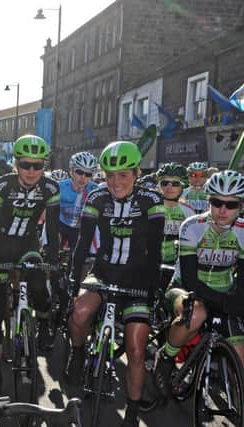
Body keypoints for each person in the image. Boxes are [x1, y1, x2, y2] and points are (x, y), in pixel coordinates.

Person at [66, 141, 165, 427]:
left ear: (136, 173)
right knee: (80, 313)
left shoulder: (151, 201)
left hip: (138, 280)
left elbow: (156, 249)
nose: (115, 182)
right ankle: (78, 352)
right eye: (109, 175)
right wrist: (75, 280)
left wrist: (153, 288)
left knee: (135, 348)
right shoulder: (96, 197)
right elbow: (83, 244)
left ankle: (132, 411)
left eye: (123, 175)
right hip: (104, 272)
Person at [154, 170, 244, 403]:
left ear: (240, 205)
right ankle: (166, 358)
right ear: (208, 201)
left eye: (231, 204)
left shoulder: (243, 231)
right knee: (196, 314)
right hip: (185, 288)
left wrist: (235, 300)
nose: (223, 210)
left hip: (225, 291)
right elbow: (191, 280)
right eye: (217, 202)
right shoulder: (193, 225)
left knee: (241, 358)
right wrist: (224, 302)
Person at [0, 134, 60, 395]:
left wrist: (53, 262)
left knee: (39, 287)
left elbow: (52, 228)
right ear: (16, 164)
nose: (31, 171)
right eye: (25, 165)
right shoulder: (1, 185)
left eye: (37, 166)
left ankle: (42, 320)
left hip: (29, 244)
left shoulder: (51, 188)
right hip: (2, 245)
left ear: (44, 166)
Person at [155, 163, 194, 268]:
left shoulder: (189, 211)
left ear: (183, 186)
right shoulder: (149, 207)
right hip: (150, 262)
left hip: (176, 265)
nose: (169, 187)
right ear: (159, 185)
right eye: (165, 183)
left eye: (175, 184)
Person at [58, 151, 99, 250]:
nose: (83, 177)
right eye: (79, 172)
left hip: (80, 229)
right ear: (71, 171)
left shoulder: (95, 190)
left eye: (88, 174)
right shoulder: (60, 187)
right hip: (61, 225)